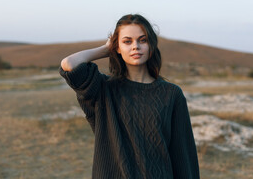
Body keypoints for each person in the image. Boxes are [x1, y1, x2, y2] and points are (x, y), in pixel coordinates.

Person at [59, 14, 200, 179]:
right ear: (117, 47)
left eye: (143, 40)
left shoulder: (171, 94)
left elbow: (183, 156)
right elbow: (69, 64)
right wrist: (106, 49)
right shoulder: (103, 90)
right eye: (127, 41)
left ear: (151, 45)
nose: (135, 47)